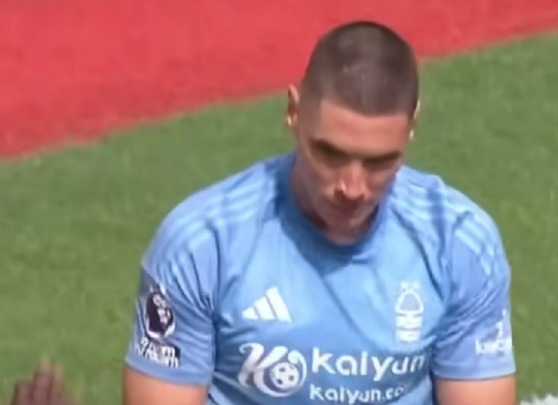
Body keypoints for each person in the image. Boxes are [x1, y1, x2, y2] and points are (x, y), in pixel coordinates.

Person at [122, 19, 517, 405]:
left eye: (379, 162)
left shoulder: (458, 243)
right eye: (330, 154)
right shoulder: (203, 247)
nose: (352, 187)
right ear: (294, 112)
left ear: (411, 128)